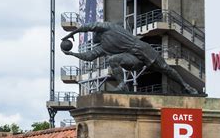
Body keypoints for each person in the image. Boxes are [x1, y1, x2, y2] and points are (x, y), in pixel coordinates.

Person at [61, 22, 198, 94]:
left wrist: (71, 34)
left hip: (142, 49)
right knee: (112, 60)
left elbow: (88, 26)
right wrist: (72, 54)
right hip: (133, 59)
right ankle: (122, 85)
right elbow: (89, 56)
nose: (94, 36)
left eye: (94, 34)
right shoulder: (103, 47)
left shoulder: (109, 27)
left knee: (165, 68)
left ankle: (186, 86)